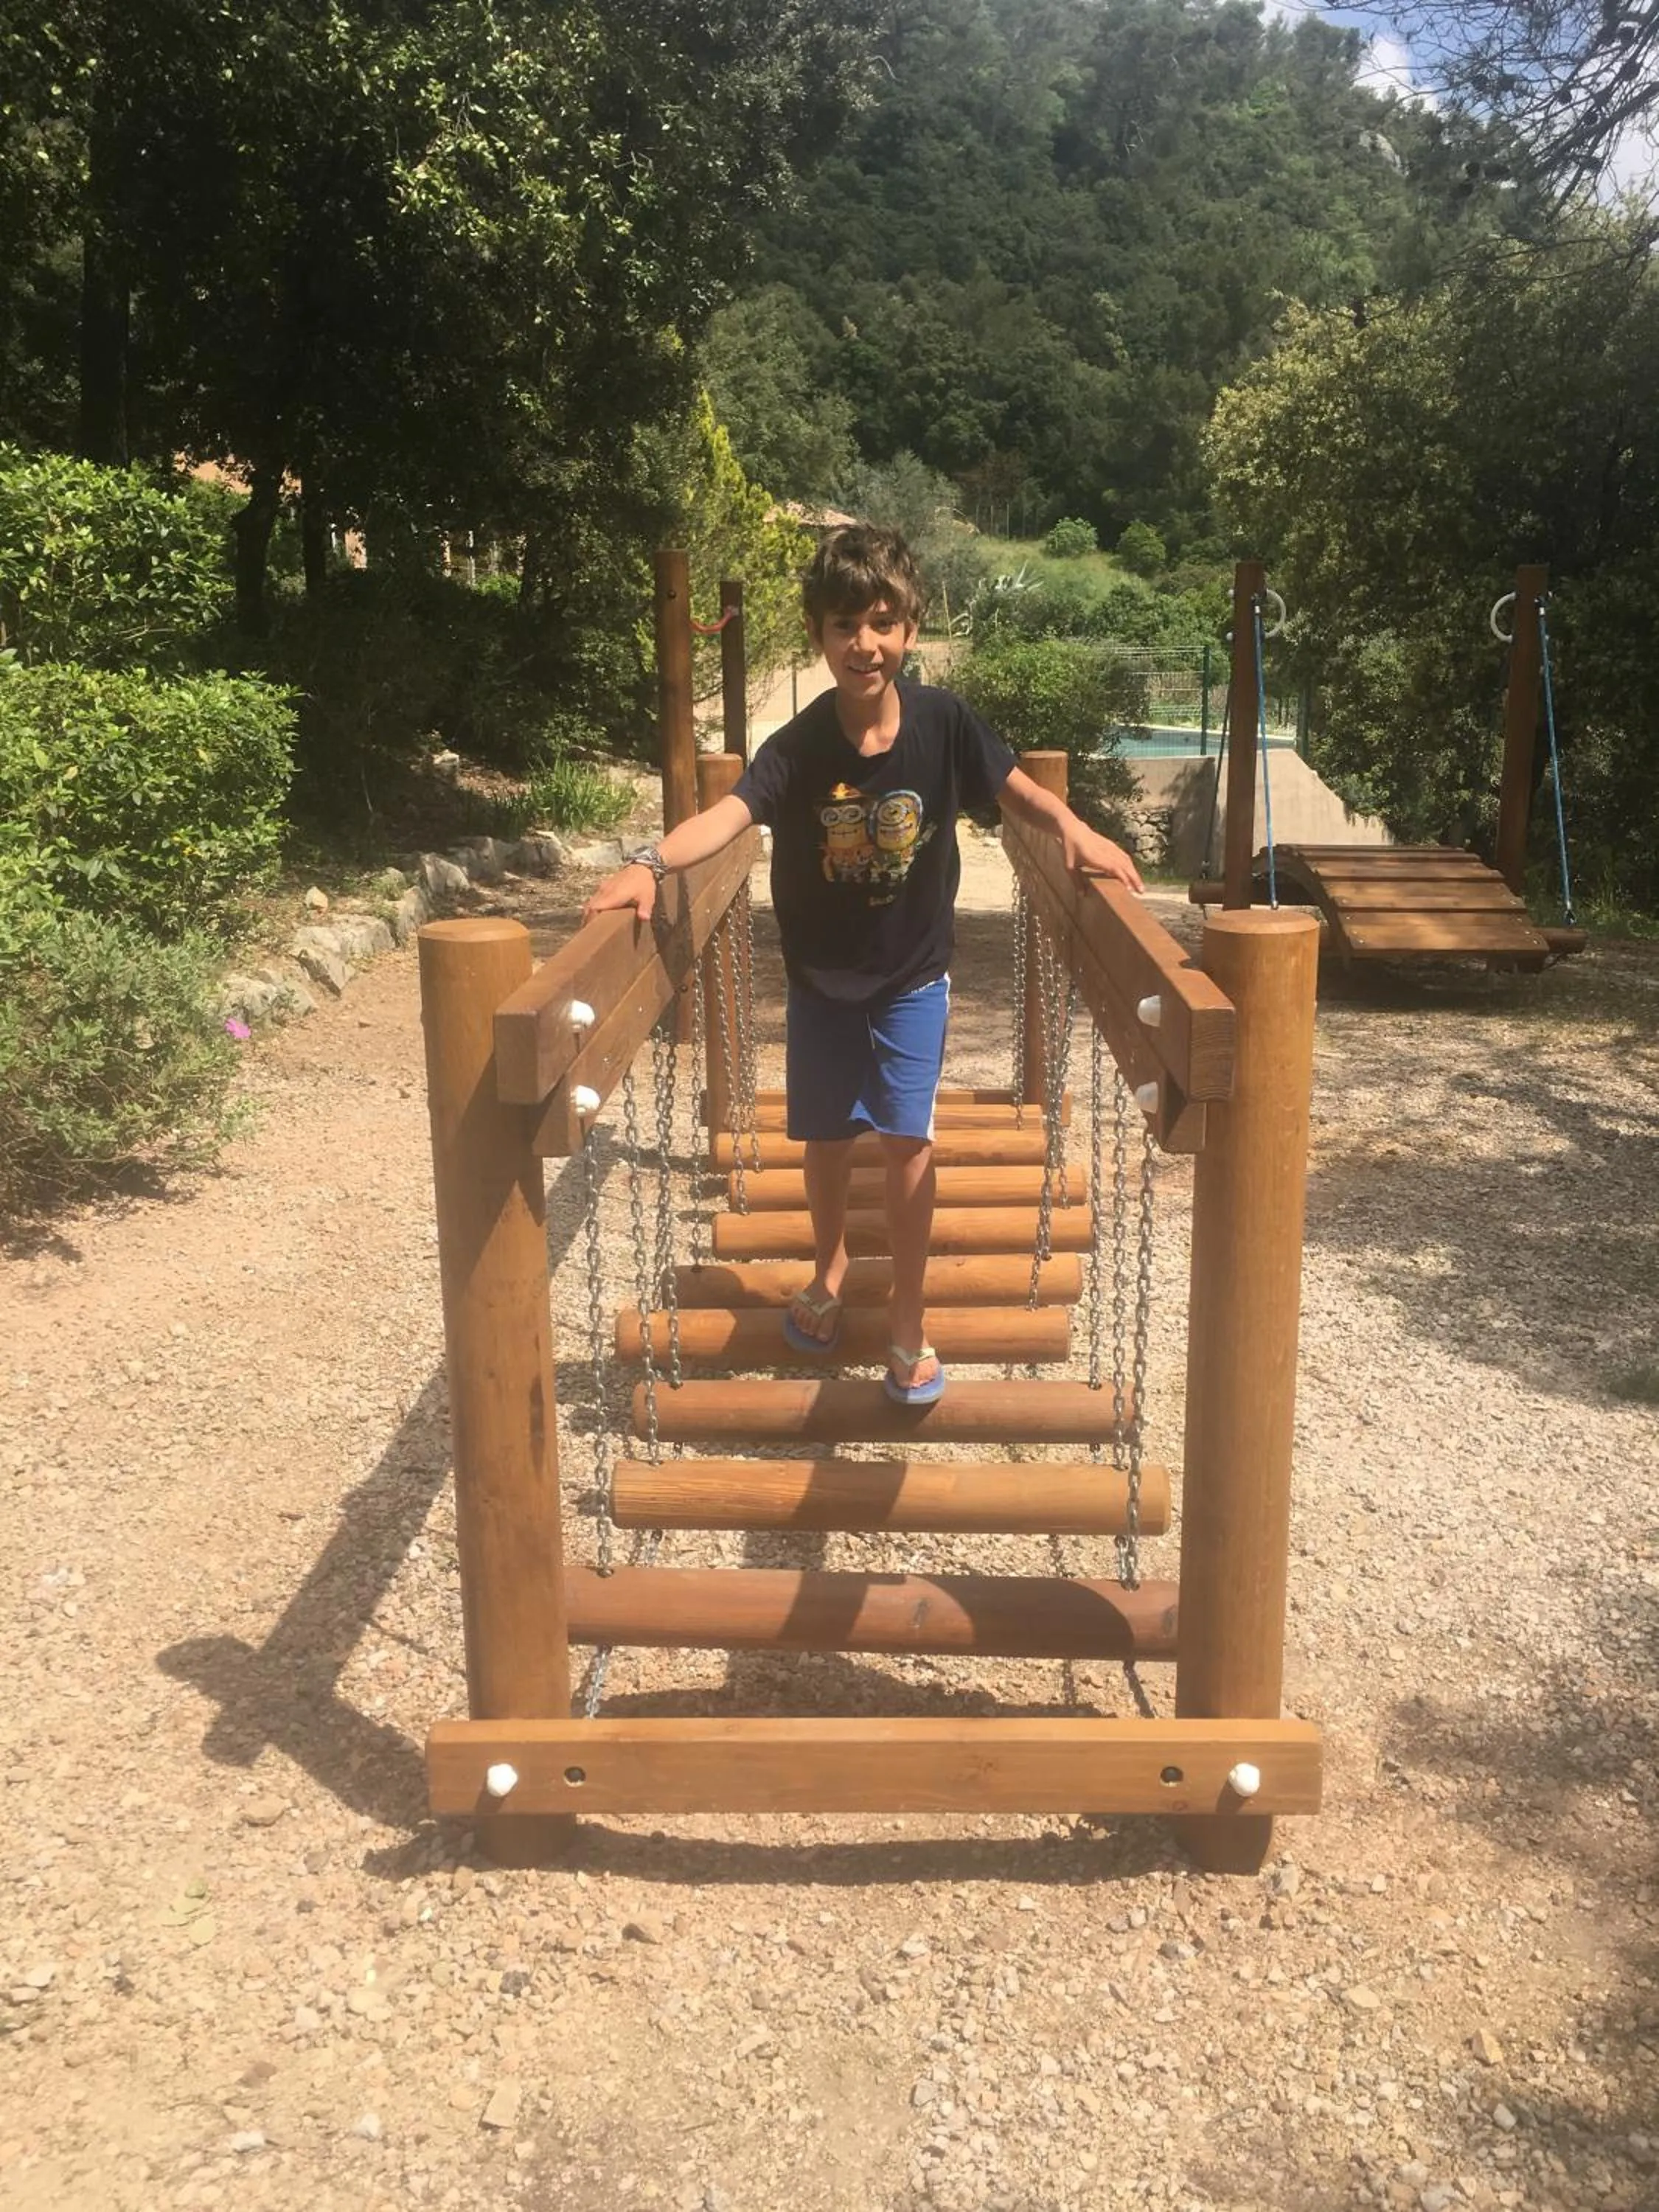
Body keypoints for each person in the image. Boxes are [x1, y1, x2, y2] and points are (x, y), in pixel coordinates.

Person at [583, 524, 1142, 1405]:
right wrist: (650, 864)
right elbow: (728, 817)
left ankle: (909, 1325)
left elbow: (1013, 788)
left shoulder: (944, 722)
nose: (865, 643)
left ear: (910, 631)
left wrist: (1073, 827)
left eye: (882, 622)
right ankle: (830, 1269)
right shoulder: (802, 746)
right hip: (819, 981)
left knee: (909, 1143)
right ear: (820, 636)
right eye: (845, 625)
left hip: (913, 974)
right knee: (826, 1139)